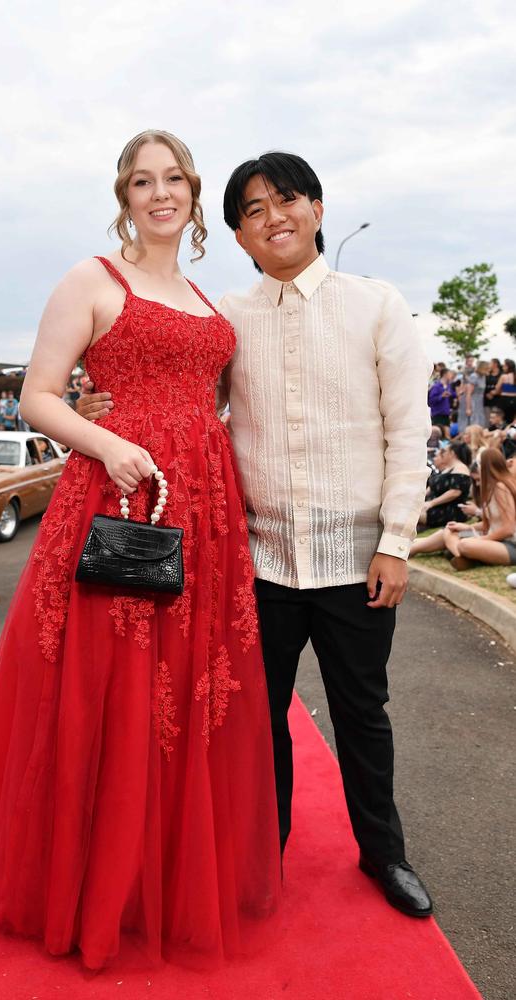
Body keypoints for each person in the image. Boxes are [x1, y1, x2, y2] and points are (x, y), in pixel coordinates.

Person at [0, 129, 282, 970]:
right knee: (108, 683)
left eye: (173, 179)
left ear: (195, 193)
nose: (159, 192)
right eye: (141, 181)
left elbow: (224, 401)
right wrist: (105, 444)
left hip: (201, 509)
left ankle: (161, 873)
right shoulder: (93, 279)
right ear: (124, 196)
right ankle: (87, 878)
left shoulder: (209, 299)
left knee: (185, 691)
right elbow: (38, 395)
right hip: (116, 493)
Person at [81, 150, 434, 918]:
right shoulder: (225, 319)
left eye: (286, 201)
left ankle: (385, 855)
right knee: (251, 722)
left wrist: (397, 542)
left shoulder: (376, 304)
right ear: (238, 235)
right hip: (255, 564)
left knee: (362, 716)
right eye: (252, 210)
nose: (273, 217)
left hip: (354, 562)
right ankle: (256, 856)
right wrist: (96, 393)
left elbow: (410, 431)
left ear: (315, 209)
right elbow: (172, 388)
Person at [410, 448, 516, 570]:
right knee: (450, 531)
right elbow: (493, 524)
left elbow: (508, 528)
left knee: (466, 544)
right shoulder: (493, 489)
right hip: (495, 539)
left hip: (510, 545)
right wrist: (467, 527)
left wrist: (482, 539)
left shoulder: (501, 487)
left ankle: (462, 555)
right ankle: (462, 557)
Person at [419, 442, 471, 528]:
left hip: (449, 510)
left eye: (444, 451)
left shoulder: (461, 468)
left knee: (409, 514)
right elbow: (432, 487)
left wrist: (431, 503)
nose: (442, 454)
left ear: (452, 453)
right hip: (434, 506)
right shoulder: (447, 469)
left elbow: (455, 492)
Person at [427, 366, 455, 436]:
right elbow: (431, 401)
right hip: (437, 413)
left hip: (446, 413)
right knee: (437, 435)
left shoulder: (449, 386)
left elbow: (453, 395)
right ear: (445, 374)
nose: (452, 376)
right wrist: (441, 396)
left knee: (447, 435)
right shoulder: (436, 386)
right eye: (450, 374)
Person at [483, 358, 501, 423]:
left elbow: (503, 387)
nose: (489, 365)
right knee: (487, 420)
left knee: (496, 420)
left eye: (490, 363)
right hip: (486, 401)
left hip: (497, 401)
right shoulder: (487, 374)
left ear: (495, 364)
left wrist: (493, 393)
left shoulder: (501, 375)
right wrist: (487, 394)